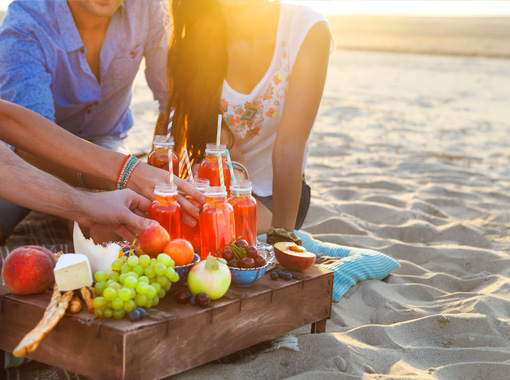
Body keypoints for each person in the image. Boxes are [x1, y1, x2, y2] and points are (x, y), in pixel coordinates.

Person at [159, 0, 333, 245]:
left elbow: (288, 151)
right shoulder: (197, 43)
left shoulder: (306, 28)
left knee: (203, 241)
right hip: (217, 188)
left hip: (276, 196)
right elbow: (223, 146)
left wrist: (282, 239)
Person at [0, 0, 172, 242]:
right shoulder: (26, 21)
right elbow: (26, 142)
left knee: (120, 230)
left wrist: (168, 163)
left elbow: (174, 100)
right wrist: (124, 175)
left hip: (105, 141)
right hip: (26, 155)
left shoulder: (149, 7)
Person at [0, 100, 204, 242]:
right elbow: (20, 145)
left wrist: (129, 172)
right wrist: (123, 175)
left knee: (109, 209)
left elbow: (6, 119)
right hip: (27, 154)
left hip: (96, 144)